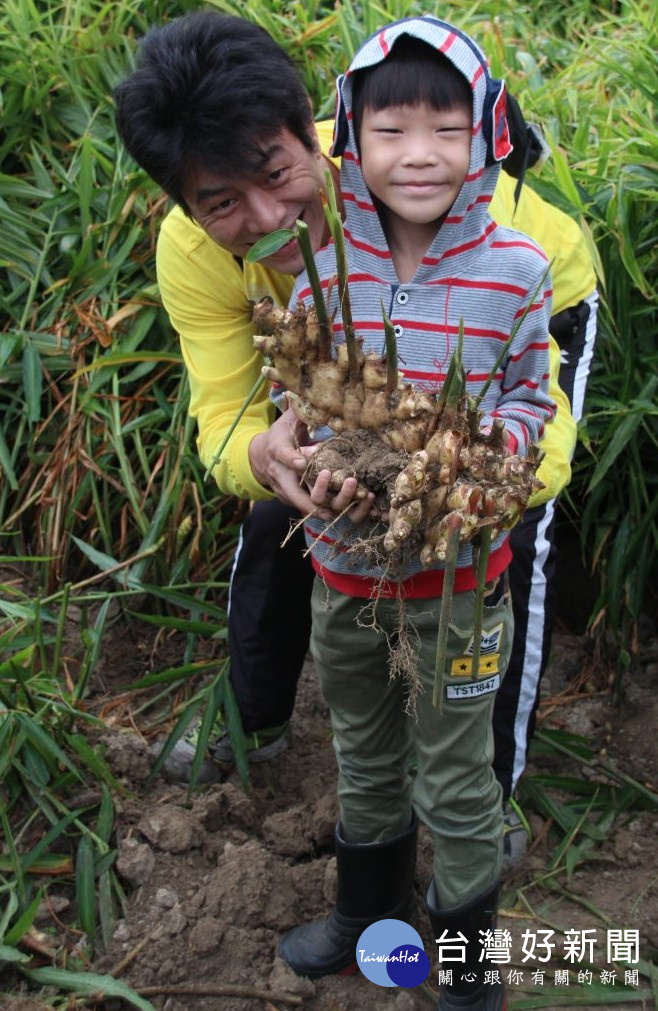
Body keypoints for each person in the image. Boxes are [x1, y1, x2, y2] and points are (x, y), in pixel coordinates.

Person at [113, 12, 596, 845]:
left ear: (312, 125)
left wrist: (456, 481)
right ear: (183, 205)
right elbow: (225, 417)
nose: (267, 217)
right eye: (221, 202)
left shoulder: (409, 174)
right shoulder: (193, 254)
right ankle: (254, 720)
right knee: (277, 510)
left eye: (276, 172)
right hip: (359, 388)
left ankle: (486, 793)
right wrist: (268, 455)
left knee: (507, 529)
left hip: (509, 321)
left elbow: (536, 443)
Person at [270, 18, 558, 1008]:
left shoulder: (515, 270)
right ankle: (368, 920)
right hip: (347, 573)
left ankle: (468, 953)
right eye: (390, 130)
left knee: (456, 775)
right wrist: (305, 447)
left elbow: (530, 400)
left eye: (447, 128)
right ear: (347, 139)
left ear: (485, 139)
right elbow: (303, 393)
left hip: (459, 585)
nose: (420, 155)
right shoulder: (320, 265)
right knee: (362, 753)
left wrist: (479, 455)